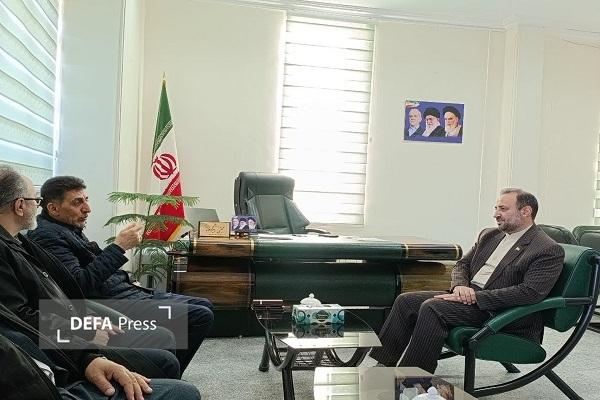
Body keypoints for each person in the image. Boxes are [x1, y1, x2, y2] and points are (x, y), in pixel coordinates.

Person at [28, 175, 214, 374]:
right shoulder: (47, 236)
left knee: (205, 304)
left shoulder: (66, 228)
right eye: (77, 202)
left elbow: (93, 267)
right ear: (53, 209)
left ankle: (165, 369)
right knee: (199, 315)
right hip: (111, 303)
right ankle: (164, 373)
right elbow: (79, 284)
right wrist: (119, 247)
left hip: (126, 292)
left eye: (86, 200)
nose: (87, 208)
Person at [369, 188, 564, 373]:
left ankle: (412, 381)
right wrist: (460, 286)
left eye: (503, 209)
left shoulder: (546, 249)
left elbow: (530, 293)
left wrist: (476, 297)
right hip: (468, 297)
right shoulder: (490, 235)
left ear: (526, 211)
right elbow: (462, 264)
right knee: (406, 301)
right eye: (496, 208)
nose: (496, 214)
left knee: (432, 308)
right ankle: (382, 368)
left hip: (502, 312)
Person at [0, 166, 178, 354]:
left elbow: (59, 288)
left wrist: (86, 318)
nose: (88, 209)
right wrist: (83, 328)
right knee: (168, 339)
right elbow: (22, 315)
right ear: (20, 206)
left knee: (167, 333)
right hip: (63, 340)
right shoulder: (38, 238)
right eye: (36, 200)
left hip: (77, 316)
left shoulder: (21, 240)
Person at [0, 302, 201, 400]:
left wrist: (86, 355)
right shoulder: (43, 239)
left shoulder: (23, 244)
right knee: (175, 376)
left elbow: (67, 292)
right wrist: (83, 329)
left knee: (196, 313)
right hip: (45, 383)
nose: (85, 216)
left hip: (52, 361)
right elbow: (27, 317)